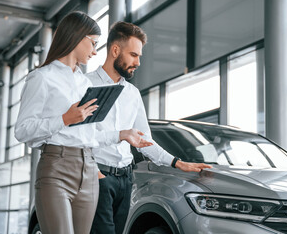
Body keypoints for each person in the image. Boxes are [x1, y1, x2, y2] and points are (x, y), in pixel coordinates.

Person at [14, 13, 152, 234]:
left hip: (89, 169)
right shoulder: (41, 77)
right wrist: (64, 119)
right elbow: (22, 131)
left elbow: (90, 136)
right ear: (77, 37)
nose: (96, 51)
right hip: (56, 167)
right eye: (93, 43)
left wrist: (122, 134)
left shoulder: (83, 82)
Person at [87, 21, 212, 234]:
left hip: (125, 180)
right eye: (134, 55)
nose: (137, 62)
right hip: (97, 175)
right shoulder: (86, 84)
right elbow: (79, 135)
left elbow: (145, 140)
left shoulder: (132, 94)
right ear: (115, 50)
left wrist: (177, 162)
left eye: (139, 57)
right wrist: (120, 135)